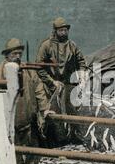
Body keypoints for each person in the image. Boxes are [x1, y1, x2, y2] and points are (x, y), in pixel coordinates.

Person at [0, 38, 41, 164]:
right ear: (6, 55)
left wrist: (45, 109)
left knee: (33, 160)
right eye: (14, 54)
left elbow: (39, 90)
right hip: (10, 124)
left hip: (28, 121)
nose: (17, 57)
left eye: (19, 54)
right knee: (14, 160)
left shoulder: (29, 71)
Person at [35, 17, 87, 145]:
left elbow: (81, 61)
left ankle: (75, 138)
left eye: (65, 30)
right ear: (55, 31)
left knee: (73, 110)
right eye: (61, 30)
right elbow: (39, 67)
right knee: (53, 113)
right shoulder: (46, 45)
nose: (64, 33)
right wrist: (51, 82)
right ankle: (56, 141)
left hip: (68, 84)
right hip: (51, 85)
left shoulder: (72, 45)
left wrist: (82, 74)